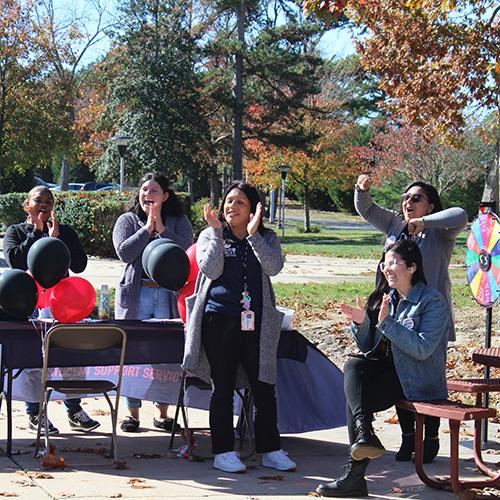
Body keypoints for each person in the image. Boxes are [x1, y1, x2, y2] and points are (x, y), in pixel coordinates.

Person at [316, 239, 449, 497]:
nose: (386, 269)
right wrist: (362, 323)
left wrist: (387, 323)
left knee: (355, 402)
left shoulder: (432, 302)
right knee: (354, 365)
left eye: (393, 263)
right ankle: (365, 433)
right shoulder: (388, 298)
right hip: (389, 373)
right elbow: (369, 348)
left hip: (416, 379)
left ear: (411, 267)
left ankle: (355, 475)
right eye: (384, 263)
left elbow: (422, 349)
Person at [182, 181, 296, 474]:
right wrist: (218, 234)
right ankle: (223, 451)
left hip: (257, 323)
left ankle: (270, 449)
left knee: (264, 387)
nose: (232, 206)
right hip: (218, 320)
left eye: (240, 202)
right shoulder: (211, 234)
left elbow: (273, 267)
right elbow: (211, 269)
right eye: (229, 201)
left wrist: (254, 235)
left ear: (253, 209)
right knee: (223, 387)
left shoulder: (267, 237)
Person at [354, 175, 467, 462]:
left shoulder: (439, 232)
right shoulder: (395, 224)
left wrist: (425, 224)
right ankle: (408, 439)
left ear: (430, 205)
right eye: (406, 198)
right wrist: (362, 189)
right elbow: (366, 209)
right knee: (398, 371)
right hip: (395, 313)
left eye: (416, 198)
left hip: (429, 316)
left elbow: (461, 215)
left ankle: (429, 439)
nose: (409, 202)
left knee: (427, 379)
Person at [3, 186, 100, 435]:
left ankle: (74, 409)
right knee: (35, 362)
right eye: (38, 200)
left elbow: (80, 264)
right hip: (29, 304)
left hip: (63, 304)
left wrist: (57, 241)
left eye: (49, 200)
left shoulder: (64, 232)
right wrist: (37, 234)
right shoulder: (16, 231)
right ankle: (36, 413)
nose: (44, 205)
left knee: (70, 358)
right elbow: (15, 260)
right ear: (27, 204)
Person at [113, 172, 193, 433]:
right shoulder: (127, 220)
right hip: (138, 294)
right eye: (144, 189)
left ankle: (163, 413)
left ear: (166, 195)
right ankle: (132, 415)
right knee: (133, 354)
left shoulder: (179, 221)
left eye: (154, 190)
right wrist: (146, 229)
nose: (148, 194)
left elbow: (186, 251)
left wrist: (162, 229)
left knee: (166, 354)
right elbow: (124, 252)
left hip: (167, 295)